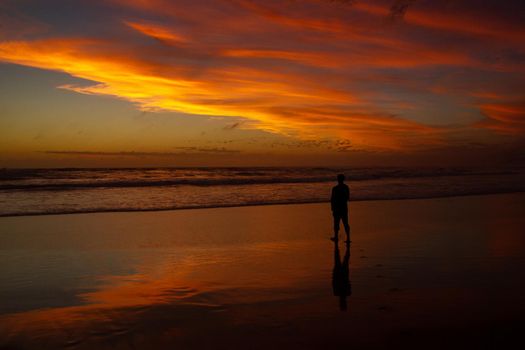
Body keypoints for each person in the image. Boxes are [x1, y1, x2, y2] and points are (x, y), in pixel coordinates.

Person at [330, 173, 350, 242]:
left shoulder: (335, 188)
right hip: (344, 207)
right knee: (345, 223)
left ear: (338, 180)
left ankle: (336, 237)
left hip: (337, 208)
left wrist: (332, 208)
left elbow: (332, 199)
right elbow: (347, 198)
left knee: (336, 223)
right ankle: (348, 238)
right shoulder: (346, 187)